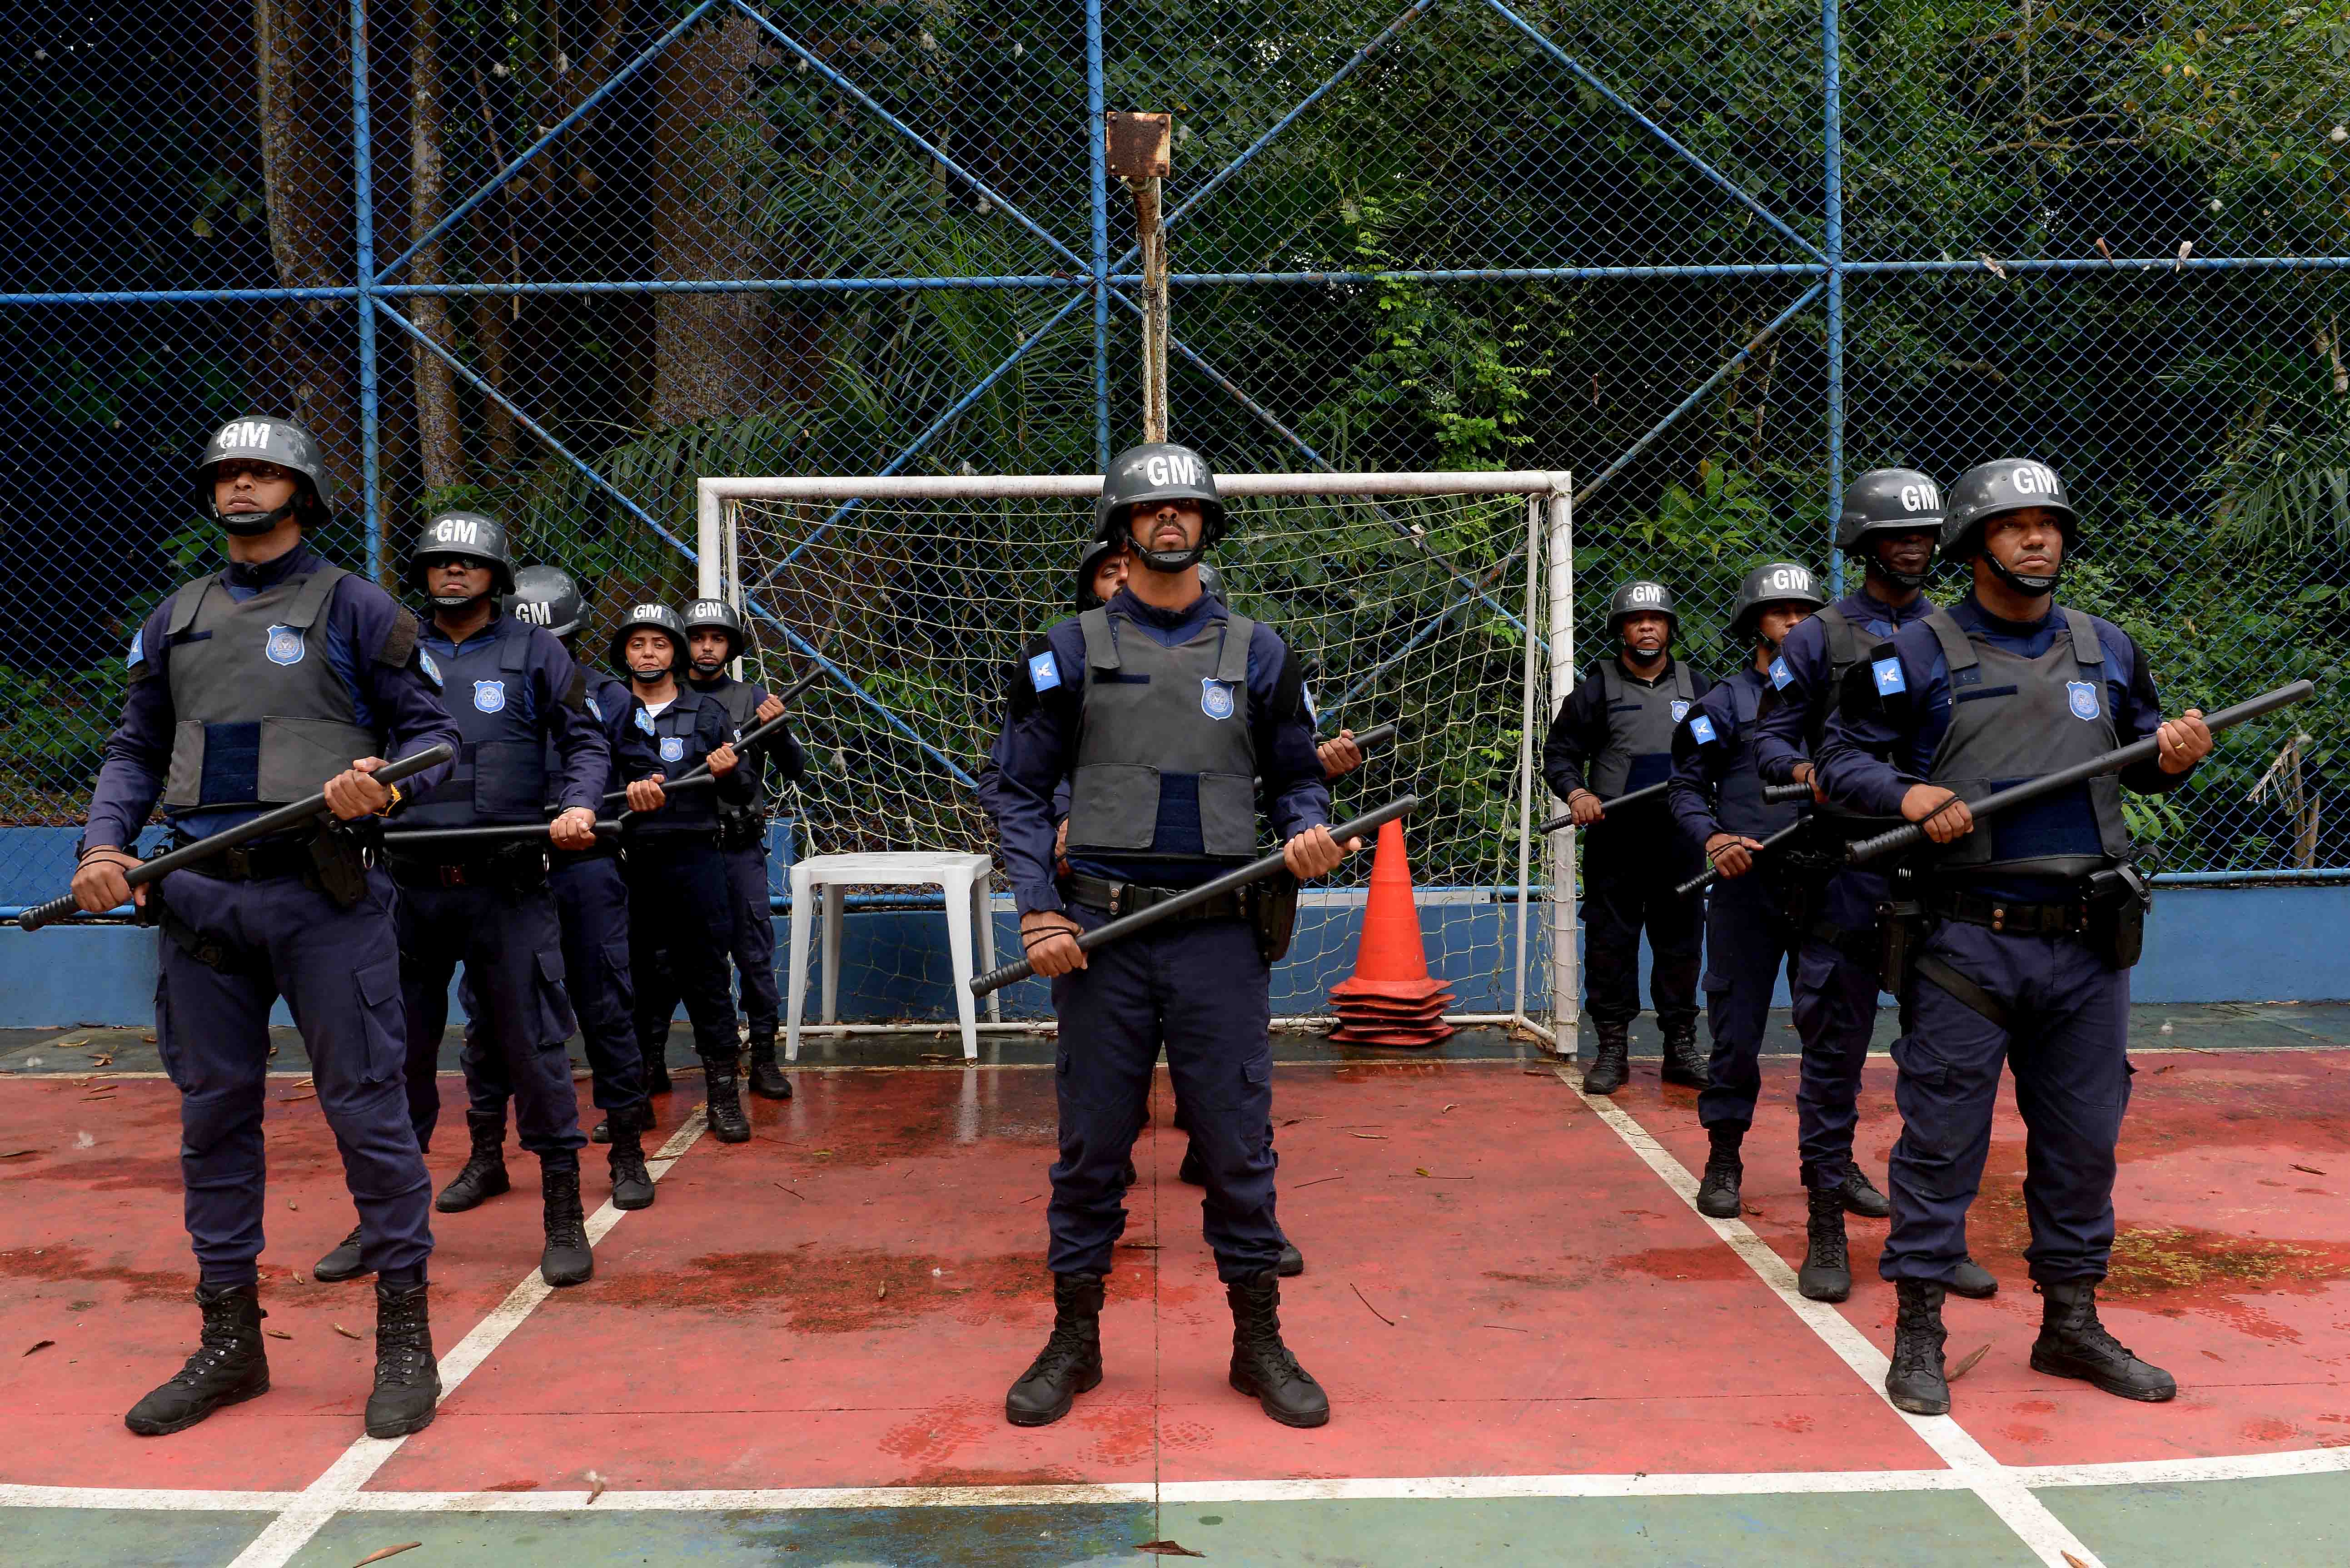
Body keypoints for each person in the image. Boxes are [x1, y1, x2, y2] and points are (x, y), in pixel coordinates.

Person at [72, 415, 459, 1440]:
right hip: (199, 899)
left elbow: (434, 741)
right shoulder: (174, 616)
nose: (240, 487)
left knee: (369, 1114)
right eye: (226, 474)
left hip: (323, 897)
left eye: (262, 471)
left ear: (303, 490)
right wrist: (104, 847)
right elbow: (134, 749)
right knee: (213, 1123)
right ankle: (231, 1343)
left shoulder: (355, 605)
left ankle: (405, 1337)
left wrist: (380, 781)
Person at [1817, 458, 2212, 1416]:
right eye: (2014, 525)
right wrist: (1908, 793)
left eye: (2050, 524)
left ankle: (2070, 1322)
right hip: (1966, 942)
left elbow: (2146, 748)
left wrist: (2177, 757)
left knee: (2084, 1143)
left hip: (2088, 945)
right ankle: (1918, 1328)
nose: (2039, 539)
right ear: (1973, 543)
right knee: (1942, 1141)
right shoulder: (1908, 653)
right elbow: (1839, 759)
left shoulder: (2108, 647)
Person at [987, 442, 1353, 1430]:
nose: (1170, 521)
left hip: (1219, 939)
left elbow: (1296, 776)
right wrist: (1037, 907)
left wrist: (1306, 829)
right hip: (1100, 935)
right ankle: (1075, 1339)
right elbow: (1017, 791)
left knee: (1237, 1146)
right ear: (1120, 527)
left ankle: (1257, 1341)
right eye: (1152, 510)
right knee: (1091, 1149)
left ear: (1209, 524)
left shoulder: (1264, 650)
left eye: (1187, 507)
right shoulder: (1063, 650)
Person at [319, 514, 607, 1290]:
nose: (452, 572)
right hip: (408, 888)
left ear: (496, 574)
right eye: (440, 561)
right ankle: (383, 1222)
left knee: (534, 1051)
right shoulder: (394, 652)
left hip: (505, 885)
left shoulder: (535, 650)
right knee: (394, 1059)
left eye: (468, 562)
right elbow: (350, 736)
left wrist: (578, 804)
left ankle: (562, 1218)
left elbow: (585, 741)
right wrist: (359, 770)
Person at [1751, 469, 1999, 1303]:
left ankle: (1935, 1232)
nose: (1914, 546)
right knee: (1833, 1050)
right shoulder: (1815, 638)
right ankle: (1825, 1216)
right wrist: (1806, 774)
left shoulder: (1956, 633)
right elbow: (1770, 739)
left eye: (1926, 534)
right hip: (1845, 864)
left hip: (1945, 867)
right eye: (1896, 534)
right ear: (1861, 543)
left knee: (1946, 1063)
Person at [1669, 562, 1862, 1295]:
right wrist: (1714, 838)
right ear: (1754, 622)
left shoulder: (1847, 697)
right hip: (1746, 887)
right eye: (1777, 612)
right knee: (1738, 1025)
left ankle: (1834, 1166)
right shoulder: (1723, 703)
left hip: (1830, 882)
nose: (1791, 622)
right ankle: (1725, 1152)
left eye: (1803, 611)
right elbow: (1687, 786)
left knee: (1835, 1033)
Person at [491, 565, 659, 1167]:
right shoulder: (480, 687)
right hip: (503, 867)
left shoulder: (609, 696)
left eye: (556, 642)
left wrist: (644, 789)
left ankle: (627, 1149)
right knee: (492, 1013)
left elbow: (644, 768)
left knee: (605, 1003)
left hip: (582, 864)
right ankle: (487, 1153)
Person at [1543, 580, 1713, 1094]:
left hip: (1681, 839)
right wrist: (1577, 795)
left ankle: (1680, 1048)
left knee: (1681, 944)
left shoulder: (1699, 688)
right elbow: (1561, 755)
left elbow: (1722, 752)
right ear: (1621, 629)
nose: (1646, 626)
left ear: (1669, 628)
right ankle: (1612, 1048)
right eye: (1635, 619)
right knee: (1611, 945)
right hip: (1616, 841)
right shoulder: (1595, 691)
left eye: (1656, 618)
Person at [611, 603, 759, 1143]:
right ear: (624, 652)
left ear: (675, 651)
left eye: (659, 643)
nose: (648, 653)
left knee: (706, 978)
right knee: (634, 982)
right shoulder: (610, 710)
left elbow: (742, 793)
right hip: (632, 866)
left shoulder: (706, 712)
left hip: (698, 862)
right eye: (637, 644)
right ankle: (638, 1096)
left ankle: (723, 1096)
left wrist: (730, 772)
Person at [681, 599, 807, 1101]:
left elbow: (796, 768)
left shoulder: (751, 697)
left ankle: (764, 1060)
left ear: (731, 646)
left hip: (739, 848)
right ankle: (698, 1056)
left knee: (754, 956)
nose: (707, 646)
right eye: (697, 637)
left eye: (718, 638)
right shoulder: (666, 697)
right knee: (675, 960)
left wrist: (777, 728)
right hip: (683, 851)